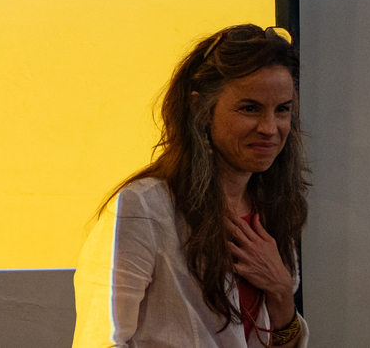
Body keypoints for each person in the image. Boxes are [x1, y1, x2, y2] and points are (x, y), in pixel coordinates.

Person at [72, 24, 309, 348]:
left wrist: (281, 292)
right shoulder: (142, 208)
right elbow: (100, 341)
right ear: (200, 109)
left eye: (282, 109)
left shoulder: (273, 208)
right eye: (250, 108)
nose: (270, 128)